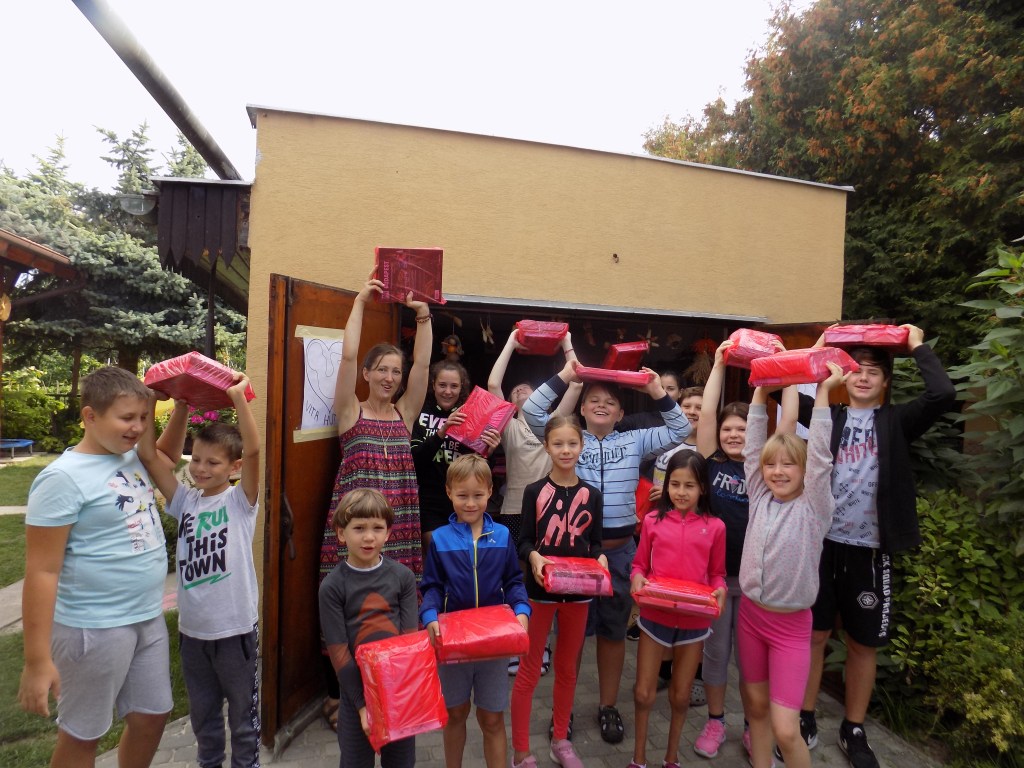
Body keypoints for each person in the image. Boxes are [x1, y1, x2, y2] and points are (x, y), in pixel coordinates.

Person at [788, 325, 956, 768]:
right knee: (814, 635)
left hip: (870, 550)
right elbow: (791, 385)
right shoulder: (829, 417)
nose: (863, 377)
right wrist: (820, 348)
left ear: (885, 382)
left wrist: (916, 344)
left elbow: (942, 393)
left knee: (863, 643)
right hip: (822, 545)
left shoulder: (897, 422)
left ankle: (854, 727)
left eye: (873, 372)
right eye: (856, 370)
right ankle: (805, 715)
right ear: (844, 376)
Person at [522, 360, 689, 745]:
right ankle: (562, 711)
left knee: (613, 633)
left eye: (610, 402)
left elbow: (681, 429)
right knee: (572, 637)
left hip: (619, 553)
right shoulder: (569, 438)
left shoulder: (635, 440)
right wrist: (567, 376)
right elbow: (531, 412)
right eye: (594, 400)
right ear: (581, 408)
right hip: (573, 556)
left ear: (620, 413)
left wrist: (657, 391)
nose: (601, 405)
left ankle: (608, 705)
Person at [18, 366, 173, 768]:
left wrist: (183, 404)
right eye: (127, 417)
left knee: (152, 717)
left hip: (146, 618)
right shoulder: (62, 479)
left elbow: (165, 457)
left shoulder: (128, 457)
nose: (138, 427)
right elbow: (42, 571)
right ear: (90, 416)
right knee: (83, 736)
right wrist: (37, 660)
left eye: (143, 417)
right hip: (93, 627)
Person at [317, 267, 432, 730]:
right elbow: (346, 356)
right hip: (354, 529)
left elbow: (423, 367)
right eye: (381, 369)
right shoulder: (350, 411)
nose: (389, 376)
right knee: (347, 608)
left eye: (395, 371)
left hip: (398, 528)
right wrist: (360, 302)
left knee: (394, 609)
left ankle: (393, 686)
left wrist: (422, 316)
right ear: (366, 374)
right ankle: (341, 694)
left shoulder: (405, 413)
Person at [138, 374, 262, 768]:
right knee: (204, 718)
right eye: (196, 460)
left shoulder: (241, 502)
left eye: (213, 462)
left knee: (242, 719)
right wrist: (170, 402)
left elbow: (254, 450)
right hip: (193, 634)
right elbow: (149, 455)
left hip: (235, 632)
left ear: (234, 467)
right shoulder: (185, 501)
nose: (200, 469)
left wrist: (238, 399)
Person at [740, 365, 846, 768]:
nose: (778, 472)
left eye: (788, 465)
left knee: (786, 729)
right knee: (755, 708)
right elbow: (753, 447)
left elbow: (820, 456)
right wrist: (758, 390)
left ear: (804, 471)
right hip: (751, 617)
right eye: (772, 465)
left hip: (790, 627)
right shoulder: (759, 495)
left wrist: (823, 394)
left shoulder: (815, 506)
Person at [692, 340, 794, 759]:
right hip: (717, 579)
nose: (734, 434)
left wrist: (787, 370)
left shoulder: (766, 467)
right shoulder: (710, 462)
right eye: (728, 429)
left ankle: (755, 729)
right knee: (716, 654)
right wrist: (719, 364)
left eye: (742, 429)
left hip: (757, 581)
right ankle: (716, 721)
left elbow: (788, 422)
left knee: (753, 663)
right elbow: (707, 413)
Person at [421, 454, 531, 768]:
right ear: (448, 492)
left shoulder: (503, 536)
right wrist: (429, 617)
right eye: (462, 495)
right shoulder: (440, 539)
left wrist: (522, 610)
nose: (470, 503)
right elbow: (432, 587)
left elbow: (513, 581)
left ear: (490, 492)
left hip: (494, 644)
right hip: (453, 644)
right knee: (455, 714)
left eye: (478, 495)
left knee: (492, 718)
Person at [511, 416, 606, 768]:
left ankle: (561, 740)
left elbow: (596, 543)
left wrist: (601, 558)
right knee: (528, 670)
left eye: (572, 443)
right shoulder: (535, 491)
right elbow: (523, 541)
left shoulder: (592, 495)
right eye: (558, 444)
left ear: (581, 446)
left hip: (579, 594)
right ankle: (520, 751)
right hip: (540, 593)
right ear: (547, 447)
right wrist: (534, 556)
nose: (566, 450)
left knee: (567, 670)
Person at [628, 451, 726, 768]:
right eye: (675, 484)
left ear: (703, 488)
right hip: (654, 617)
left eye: (690, 485)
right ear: (666, 484)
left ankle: (671, 758)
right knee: (643, 693)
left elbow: (717, 574)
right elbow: (639, 565)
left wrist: (721, 590)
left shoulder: (715, 527)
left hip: (694, 622)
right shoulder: (653, 521)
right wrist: (637, 578)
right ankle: (638, 759)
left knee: (681, 696)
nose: (681, 492)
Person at [318, 488, 419, 768]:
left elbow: (408, 643)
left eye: (377, 528)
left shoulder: (403, 577)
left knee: (401, 763)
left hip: (397, 694)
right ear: (341, 533)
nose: (369, 537)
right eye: (359, 528)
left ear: (388, 533)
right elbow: (339, 654)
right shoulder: (332, 586)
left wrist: (409, 693)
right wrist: (364, 706)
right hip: (355, 695)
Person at [411, 359, 479, 552]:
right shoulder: (419, 412)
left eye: (454, 386)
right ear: (433, 385)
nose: (447, 391)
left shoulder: (471, 415)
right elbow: (415, 460)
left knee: (462, 556)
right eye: (442, 385)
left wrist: (487, 451)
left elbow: (478, 468)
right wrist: (443, 431)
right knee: (437, 552)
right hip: (429, 499)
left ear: (461, 387)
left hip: (464, 499)